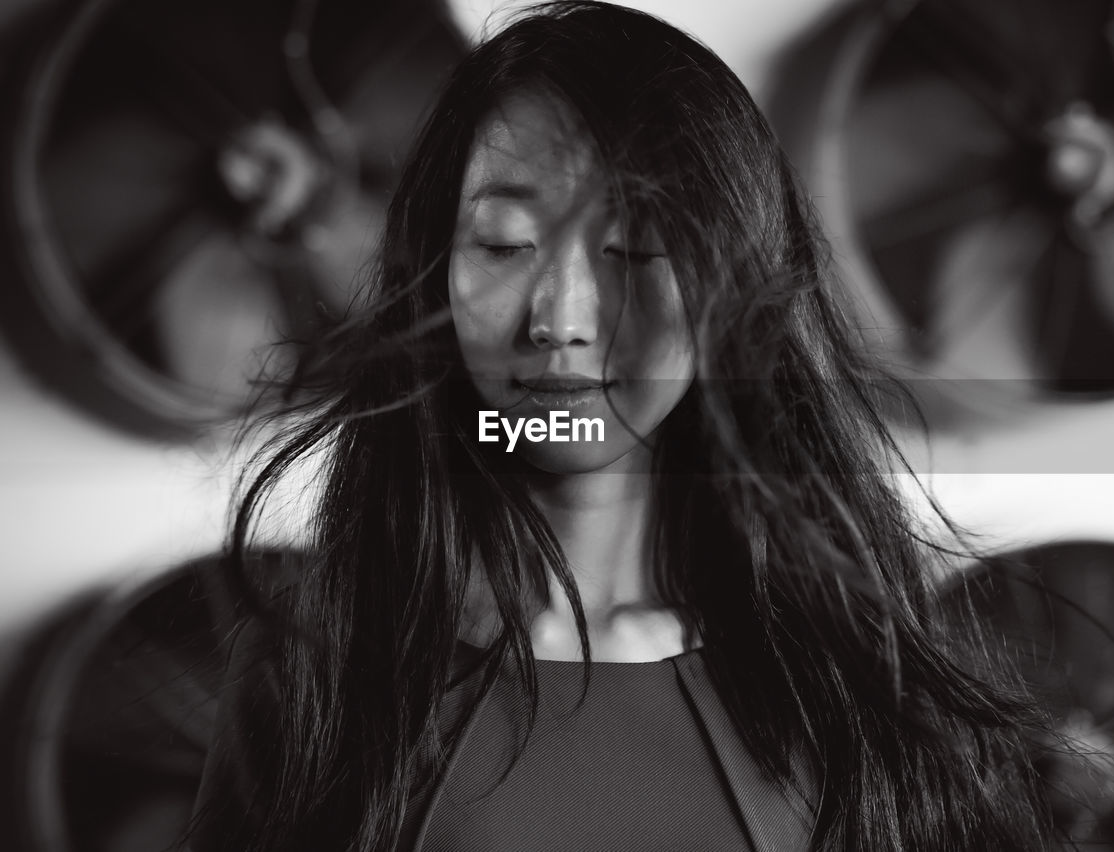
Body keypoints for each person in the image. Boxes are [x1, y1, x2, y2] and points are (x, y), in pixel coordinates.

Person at [189, 2, 1057, 850]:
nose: (560, 317)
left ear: (734, 284)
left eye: (636, 247)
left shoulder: (860, 676)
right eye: (502, 243)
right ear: (434, 279)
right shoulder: (314, 669)